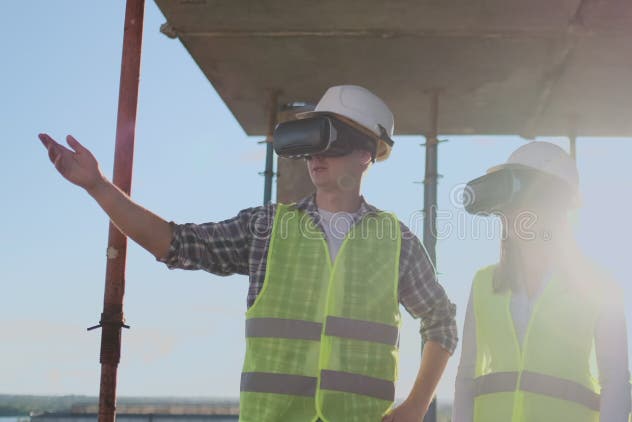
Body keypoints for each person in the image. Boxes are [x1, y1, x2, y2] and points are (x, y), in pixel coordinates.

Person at [38, 85, 458, 422]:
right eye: (312, 141)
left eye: (329, 140)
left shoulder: (396, 241)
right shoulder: (267, 228)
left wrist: (416, 406)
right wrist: (97, 186)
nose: (314, 154)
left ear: (365, 154)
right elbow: (175, 243)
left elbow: (441, 321)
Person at [452, 141, 631, 422]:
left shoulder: (598, 286)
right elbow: (465, 378)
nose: (509, 211)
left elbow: (615, 383)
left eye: (520, 198)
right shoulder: (483, 283)